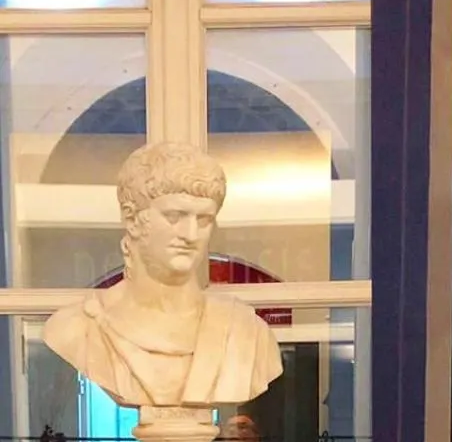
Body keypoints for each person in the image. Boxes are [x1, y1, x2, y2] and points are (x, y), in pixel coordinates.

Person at [42, 142, 282, 408]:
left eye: (203, 220)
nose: (191, 235)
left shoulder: (246, 332)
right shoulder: (76, 328)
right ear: (132, 219)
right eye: (174, 216)